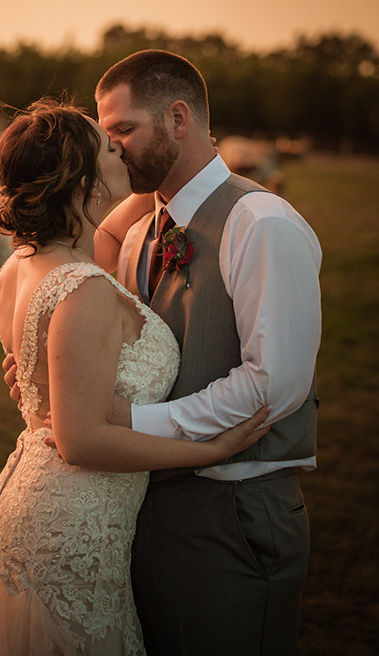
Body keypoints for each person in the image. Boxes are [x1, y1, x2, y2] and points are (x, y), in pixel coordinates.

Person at [0, 97, 272, 656]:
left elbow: (45, 382)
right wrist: (211, 450)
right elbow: (80, 439)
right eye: (109, 146)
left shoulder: (17, 267)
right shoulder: (83, 290)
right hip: (71, 530)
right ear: (82, 182)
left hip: (37, 504)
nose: (123, 149)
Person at [94, 50, 322, 656]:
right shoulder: (142, 230)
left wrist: (137, 427)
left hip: (233, 513)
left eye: (123, 130)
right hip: (143, 508)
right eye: (106, 134)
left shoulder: (261, 222)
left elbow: (274, 384)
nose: (112, 149)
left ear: (177, 119)